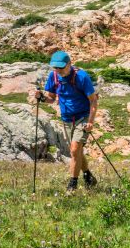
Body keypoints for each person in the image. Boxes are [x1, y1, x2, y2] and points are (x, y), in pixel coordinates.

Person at [34, 50, 99, 191]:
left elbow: (93, 101)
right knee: (77, 152)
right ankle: (88, 176)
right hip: (67, 120)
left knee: (75, 150)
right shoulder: (54, 77)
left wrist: (91, 122)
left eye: (61, 67)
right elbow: (51, 98)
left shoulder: (81, 77)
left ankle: (72, 185)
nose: (58, 70)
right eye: (55, 67)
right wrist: (42, 98)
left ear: (69, 63)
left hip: (83, 117)